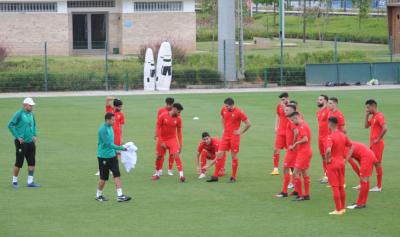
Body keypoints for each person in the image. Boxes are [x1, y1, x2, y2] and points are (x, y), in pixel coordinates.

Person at [207, 98, 251, 183]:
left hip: (234, 137)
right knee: (219, 154)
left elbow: (248, 124)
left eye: (227, 106)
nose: (225, 107)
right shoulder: (223, 109)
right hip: (225, 136)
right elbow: (222, 118)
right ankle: (215, 176)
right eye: (225, 106)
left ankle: (233, 177)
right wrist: (223, 128)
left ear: (232, 105)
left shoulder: (239, 112)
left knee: (233, 156)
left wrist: (240, 132)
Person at [95, 112, 131, 202]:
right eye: (113, 119)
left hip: (112, 155)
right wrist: (121, 148)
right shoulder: (102, 130)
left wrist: (116, 151)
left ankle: (120, 195)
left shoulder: (111, 127)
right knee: (103, 178)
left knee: (117, 174)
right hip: (103, 157)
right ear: (108, 120)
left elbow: (112, 143)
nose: (114, 121)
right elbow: (109, 144)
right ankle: (98, 195)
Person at [8, 97, 41, 188]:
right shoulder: (19, 114)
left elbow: (33, 125)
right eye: (30, 106)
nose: (31, 107)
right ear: (25, 105)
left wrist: (34, 134)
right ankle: (14, 181)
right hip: (21, 143)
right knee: (19, 162)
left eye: (32, 106)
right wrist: (18, 137)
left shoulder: (31, 114)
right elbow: (10, 125)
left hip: (30, 142)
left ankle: (30, 182)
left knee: (32, 162)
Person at [325, 117, 353, 215]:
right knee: (341, 186)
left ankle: (337, 209)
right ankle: (343, 208)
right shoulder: (342, 135)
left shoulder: (330, 137)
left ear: (330, 124)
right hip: (341, 163)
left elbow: (328, 150)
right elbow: (351, 146)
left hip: (332, 164)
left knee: (335, 187)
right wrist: (346, 159)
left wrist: (327, 159)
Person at [152, 103, 185, 182]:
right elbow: (158, 127)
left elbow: (179, 132)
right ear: (174, 109)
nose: (179, 114)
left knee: (176, 155)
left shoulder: (178, 119)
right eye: (179, 112)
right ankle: (156, 174)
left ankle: (181, 176)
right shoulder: (163, 116)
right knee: (159, 157)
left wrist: (180, 145)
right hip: (162, 139)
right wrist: (161, 141)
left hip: (172, 139)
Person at [95, 96, 125, 176]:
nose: (121, 108)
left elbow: (122, 126)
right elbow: (107, 99)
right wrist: (115, 97)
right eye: (119, 106)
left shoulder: (121, 114)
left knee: (116, 152)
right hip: (107, 134)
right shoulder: (109, 110)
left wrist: (121, 137)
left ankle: (114, 169)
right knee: (105, 149)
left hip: (117, 135)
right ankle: (100, 169)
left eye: (121, 106)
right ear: (115, 106)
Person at [274, 103, 298, 198]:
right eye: (284, 110)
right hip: (292, 149)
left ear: (292, 111)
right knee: (293, 169)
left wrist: (293, 144)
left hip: (292, 150)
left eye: (287, 110)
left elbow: (296, 132)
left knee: (286, 168)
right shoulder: (290, 120)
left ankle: (284, 192)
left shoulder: (292, 122)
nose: (284, 111)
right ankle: (297, 190)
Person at [287, 112, 312, 201]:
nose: (292, 122)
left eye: (292, 120)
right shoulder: (303, 125)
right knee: (304, 173)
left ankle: (300, 195)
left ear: (296, 117)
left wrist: (295, 144)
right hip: (305, 152)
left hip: (304, 153)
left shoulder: (302, 126)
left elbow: (305, 139)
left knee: (295, 173)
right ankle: (306, 195)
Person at [345, 141, 378, 209]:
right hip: (369, 155)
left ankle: (360, 203)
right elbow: (357, 157)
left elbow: (353, 165)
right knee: (365, 180)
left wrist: (360, 175)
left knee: (364, 181)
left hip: (366, 157)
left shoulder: (344, 149)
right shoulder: (346, 144)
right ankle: (362, 203)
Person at [364, 99, 387, 192]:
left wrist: (378, 138)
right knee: (369, 162)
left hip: (377, 144)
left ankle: (378, 186)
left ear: (373, 106)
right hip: (373, 144)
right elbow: (366, 126)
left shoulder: (379, 116)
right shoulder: (373, 116)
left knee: (377, 164)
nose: (367, 109)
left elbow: (385, 128)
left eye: (368, 107)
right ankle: (364, 182)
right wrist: (366, 116)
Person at [154, 97, 176, 176]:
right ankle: (159, 169)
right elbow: (158, 124)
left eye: (170, 105)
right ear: (165, 103)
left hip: (171, 136)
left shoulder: (175, 111)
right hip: (162, 136)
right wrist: (156, 134)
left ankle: (170, 170)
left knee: (172, 153)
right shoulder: (161, 111)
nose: (169, 106)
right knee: (160, 154)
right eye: (168, 104)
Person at [271, 92, 290, 175]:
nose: (282, 101)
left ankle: (290, 168)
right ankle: (275, 169)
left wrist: (285, 107)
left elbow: (292, 115)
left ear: (287, 98)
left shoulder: (291, 106)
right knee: (276, 149)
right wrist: (276, 126)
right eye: (281, 99)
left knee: (289, 150)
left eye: (283, 99)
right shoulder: (279, 106)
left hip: (289, 132)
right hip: (280, 131)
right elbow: (278, 115)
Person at [316, 94, 330, 184]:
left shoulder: (328, 111)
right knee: (322, 156)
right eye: (318, 99)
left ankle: (329, 176)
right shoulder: (318, 111)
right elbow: (319, 123)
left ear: (325, 101)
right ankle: (325, 174)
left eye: (320, 100)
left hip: (327, 137)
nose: (318, 101)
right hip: (320, 137)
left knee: (328, 156)